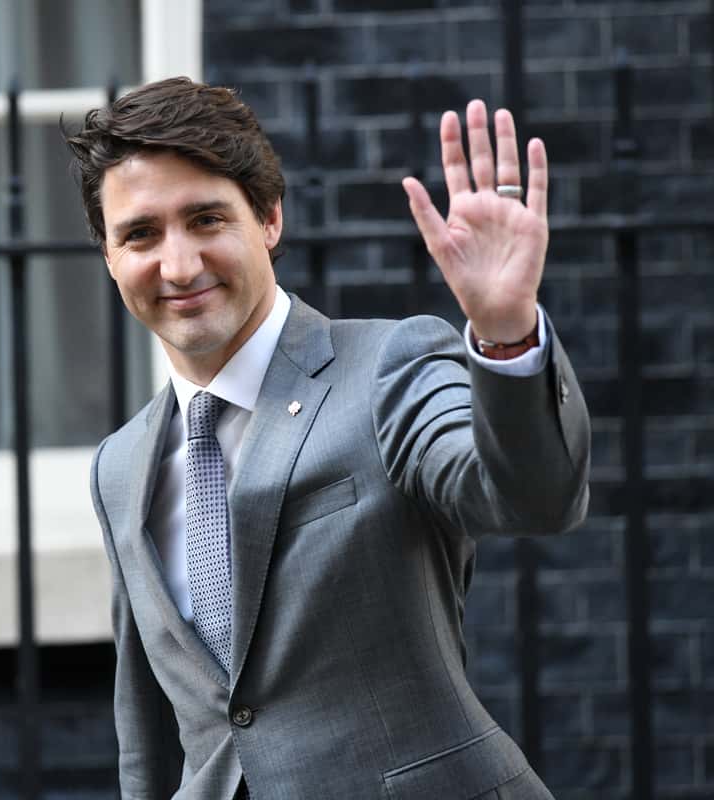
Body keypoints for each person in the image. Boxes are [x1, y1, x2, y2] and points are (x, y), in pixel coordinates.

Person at [66, 77, 589, 799]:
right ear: (109, 256)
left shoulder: (387, 369)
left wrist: (504, 337)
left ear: (270, 219)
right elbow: (151, 735)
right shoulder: (119, 467)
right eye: (141, 234)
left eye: (207, 220)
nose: (178, 265)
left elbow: (533, 498)